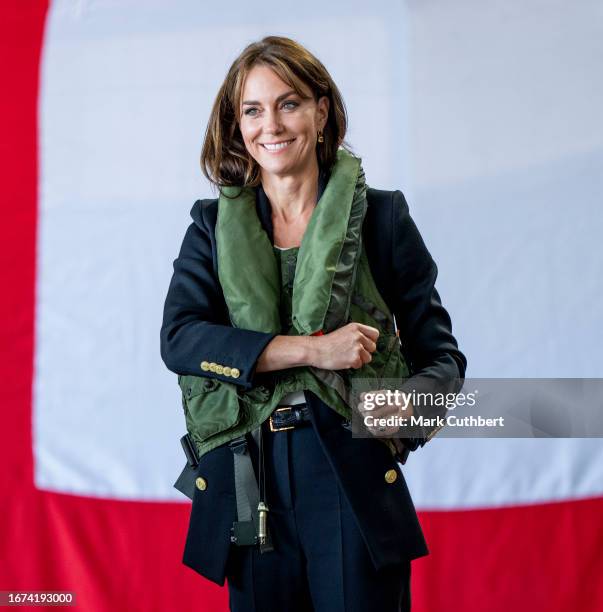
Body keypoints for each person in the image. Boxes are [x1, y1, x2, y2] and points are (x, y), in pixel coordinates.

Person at [160, 35, 466, 612]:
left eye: (289, 103)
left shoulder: (382, 217)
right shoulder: (208, 227)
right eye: (252, 109)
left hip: (349, 475)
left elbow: (444, 361)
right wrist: (310, 351)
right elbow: (179, 340)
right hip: (249, 483)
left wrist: (396, 414)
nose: (270, 125)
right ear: (236, 123)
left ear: (321, 112)